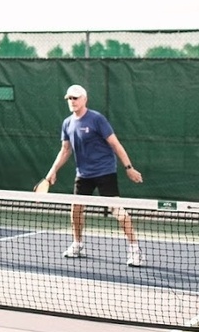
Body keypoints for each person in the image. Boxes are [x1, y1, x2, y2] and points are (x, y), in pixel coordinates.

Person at [44, 84, 145, 267]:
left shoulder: (97, 119)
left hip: (105, 172)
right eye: (69, 98)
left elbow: (115, 144)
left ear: (84, 99)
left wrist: (128, 167)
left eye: (75, 98)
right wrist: (52, 171)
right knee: (76, 209)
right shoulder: (67, 123)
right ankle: (77, 244)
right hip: (83, 175)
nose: (72, 101)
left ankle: (134, 249)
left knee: (117, 210)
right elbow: (65, 150)